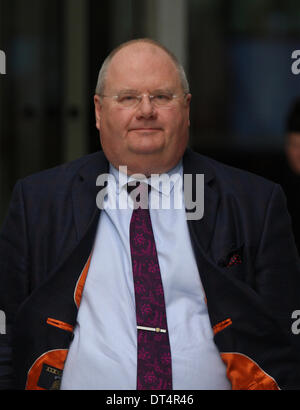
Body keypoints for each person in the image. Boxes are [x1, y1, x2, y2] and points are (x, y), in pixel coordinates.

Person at [0, 38, 300, 391]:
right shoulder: (39, 202)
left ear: (186, 109)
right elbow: (8, 340)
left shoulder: (254, 203)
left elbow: (285, 344)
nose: (145, 110)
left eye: (161, 96)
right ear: (98, 112)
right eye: (127, 97)